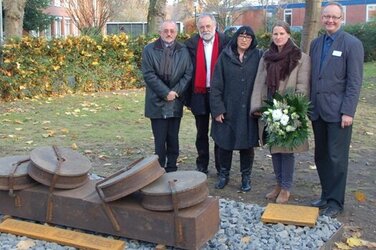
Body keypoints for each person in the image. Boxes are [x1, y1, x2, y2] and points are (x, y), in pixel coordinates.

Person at [309, 2, 364, 217]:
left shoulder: (352, 44)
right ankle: (325, 195)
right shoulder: (315, 43)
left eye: (334, 17)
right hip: (318, 110)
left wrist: (348, 111)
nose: (330, 20)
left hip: (339, 113)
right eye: (326, 17)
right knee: (321, 156)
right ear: (322, 18)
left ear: (342, 18)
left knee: (336, 158)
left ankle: (335, 202)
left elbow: (354, 81)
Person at [250, 21, 310, 204]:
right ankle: (278, 183)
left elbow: (302, 86)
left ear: (289, 34)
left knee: (287, 150)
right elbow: (259, 83)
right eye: (275, 34)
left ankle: (286, 187)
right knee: (274, 149)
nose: (278, 37)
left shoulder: (301, 57)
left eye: (281, 33)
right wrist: (257, 106)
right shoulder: (266, 57)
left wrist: (290, 108)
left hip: (288, 110)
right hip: (269, 109)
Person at [210, 26, 262, 191]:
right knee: (225, 144)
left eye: (248, 37)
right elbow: (216, 85)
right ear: (236, 38)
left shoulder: (258, 57)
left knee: (247, 146)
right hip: (228, 109)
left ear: (252, 40)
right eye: (242, 36)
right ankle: (224, 175)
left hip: (248, 111)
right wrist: (218, 109)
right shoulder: (225, 57)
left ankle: (246, 177)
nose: (245, 39)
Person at [141, 20, 193, 172]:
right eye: (166, 31)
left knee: (173, 137)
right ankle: (159, 168)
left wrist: (175, 92)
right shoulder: (149, 50)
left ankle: (172, 166)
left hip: (176, 100)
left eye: (172, 31)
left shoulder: (183, 50)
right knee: (160, 138)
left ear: (176, 33)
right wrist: (165, 93)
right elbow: (148, 74)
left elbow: (188, 72)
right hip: (156, 101)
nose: (169, 34)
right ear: (160, 32)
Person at [185, 13, 230, 175]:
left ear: (215, 26)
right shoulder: (190, 44)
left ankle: (221, 167)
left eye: (208, 26)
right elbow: (187, 72)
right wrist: (187, 98)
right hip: (199, 93)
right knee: (201, 132)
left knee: (219, 132)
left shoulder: (226, 42)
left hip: (220, 94)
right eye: (202, 27)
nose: (205, 29)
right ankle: (202, 164)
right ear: (198, 29)